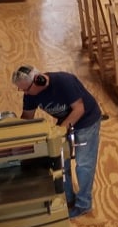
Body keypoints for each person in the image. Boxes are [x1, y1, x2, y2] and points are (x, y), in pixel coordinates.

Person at [12, 65, 103, 219]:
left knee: (84, 164)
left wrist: (59, 131)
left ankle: (83, 205)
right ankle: (67, 198)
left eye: (26, 89)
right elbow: (27, 116)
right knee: (61, 161)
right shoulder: (30, 94)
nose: (25, 93)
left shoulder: (64, 82)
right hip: (66, 122)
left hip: (87, 121)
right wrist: (17, 133)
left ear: (38, 81)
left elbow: (79, 109)